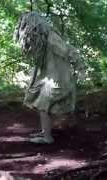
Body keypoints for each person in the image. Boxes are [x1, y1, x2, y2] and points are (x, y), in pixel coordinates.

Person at [15, 12, 81, 144]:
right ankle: (45, 131)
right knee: (40, 103)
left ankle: (47, 137)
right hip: (51, 79)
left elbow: (68, 51)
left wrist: (80, 68)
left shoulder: (52, 38)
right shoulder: (44, 41)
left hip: (59, 80)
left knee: (43, 104)